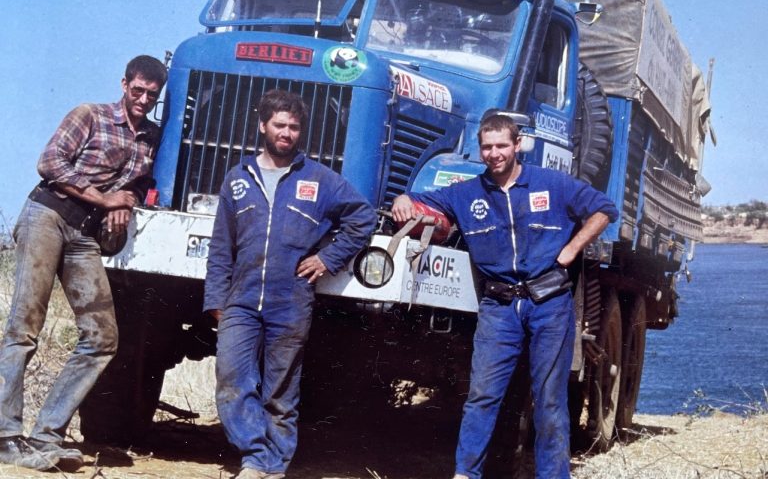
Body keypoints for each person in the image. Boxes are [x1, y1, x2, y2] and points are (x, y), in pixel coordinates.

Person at [392, 110, 619, 479]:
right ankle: (466, 474)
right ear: (479, 150)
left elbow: (604, 210)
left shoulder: (553, 184)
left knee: (549, 402)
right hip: (499, 308)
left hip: (549, 305)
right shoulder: (466, 193)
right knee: (482, 397)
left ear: (518, 145)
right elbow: (421, 200)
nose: (494, 153)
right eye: (486, 147)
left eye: (501, 145)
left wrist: (571, 250)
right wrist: (404, 197)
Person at [0, 55, 167, 472]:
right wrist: (104, 198)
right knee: (24, 328)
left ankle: (47, 434)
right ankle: (5, 436)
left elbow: (142, 185)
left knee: (103, 336)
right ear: (124, 83)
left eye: (152, 94)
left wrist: (127, 204)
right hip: (48, 217)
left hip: (85, 237)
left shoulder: (151, 137)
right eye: (137, 90)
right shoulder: (89, 115)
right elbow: (50, 163)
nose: (143, 99)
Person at [204, 88, 377, 479]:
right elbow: (221, 247)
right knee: (231, 379)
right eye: (279, 125)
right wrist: (216, 299)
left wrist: (329, 258)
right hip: (241, 300)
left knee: (281, 392)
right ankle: (255, 456)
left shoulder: (319, 179)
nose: (286, 132)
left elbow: (362, 217)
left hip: (291, 299)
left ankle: (275, 467)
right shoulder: (238, 179)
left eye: (294, 127)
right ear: (263, 125)